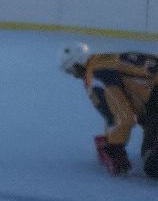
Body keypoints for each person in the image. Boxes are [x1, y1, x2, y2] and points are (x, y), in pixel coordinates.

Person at [59, 43, 158, 177]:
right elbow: (116, 111)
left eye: (72, 70)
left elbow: (123, 117)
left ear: (79, 63)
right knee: (148, 152)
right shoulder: (105, 61)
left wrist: (115, 148)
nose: (74, 76)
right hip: (153, 101)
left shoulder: (96, 75)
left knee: (153, 165)